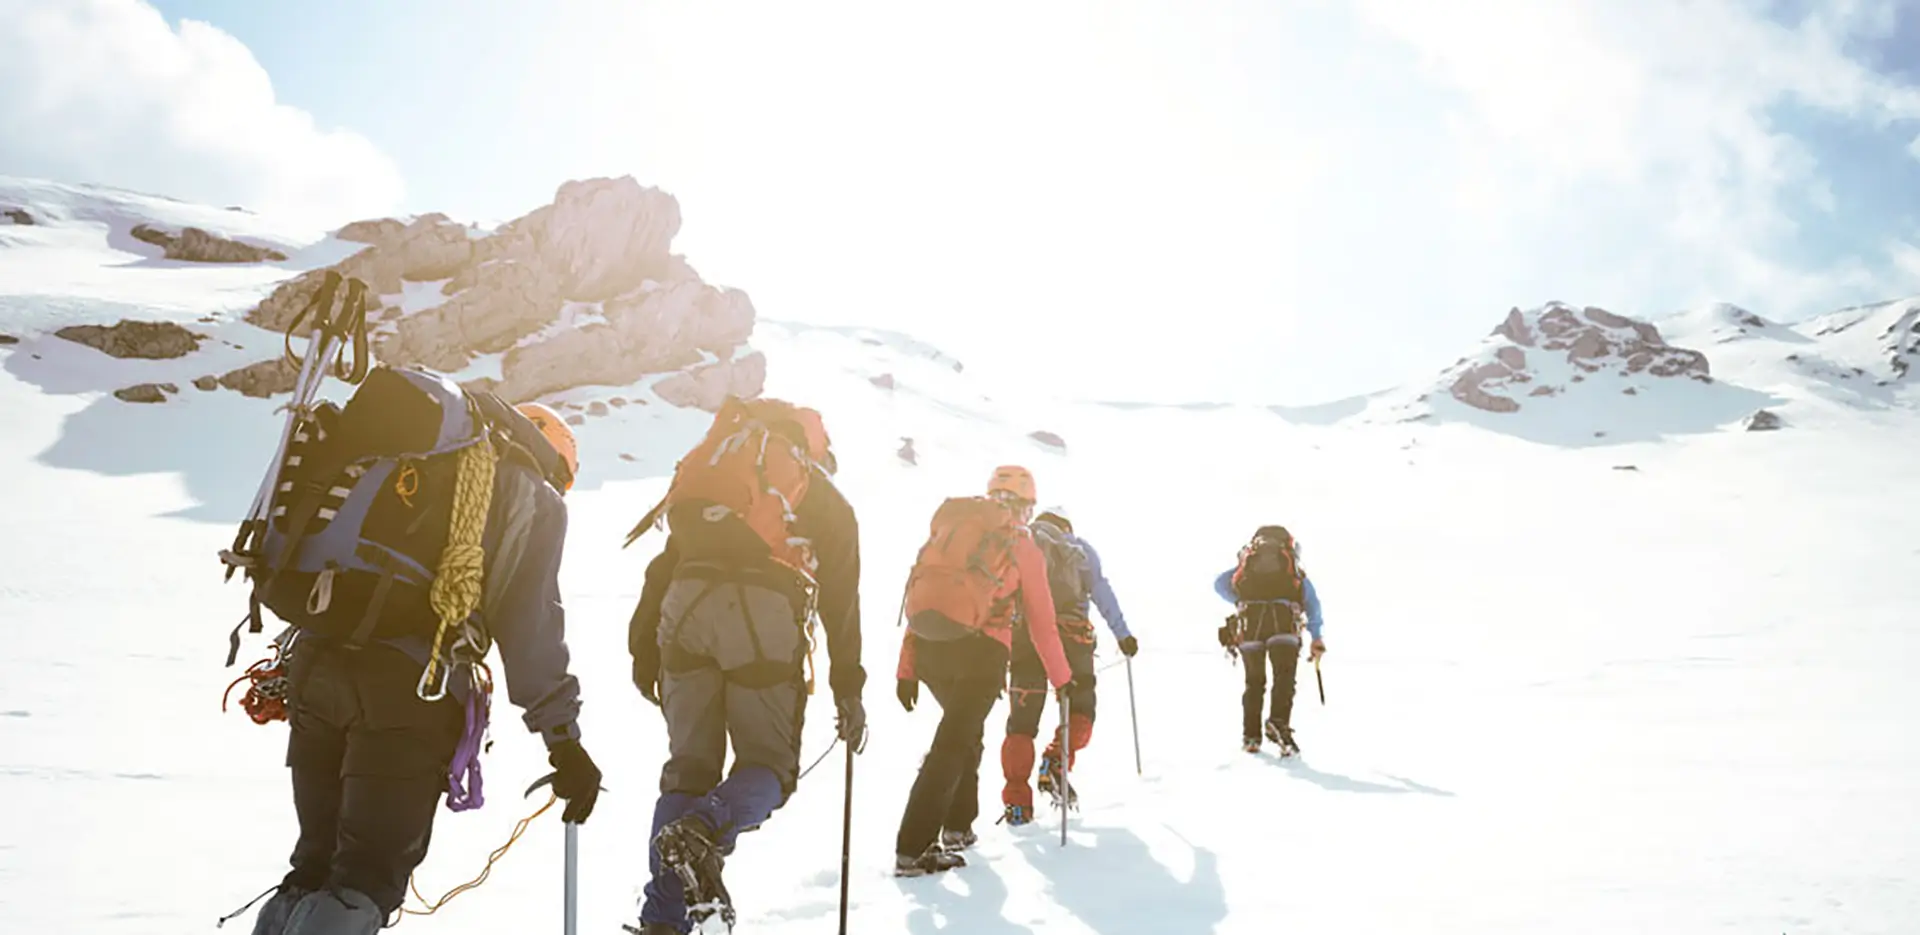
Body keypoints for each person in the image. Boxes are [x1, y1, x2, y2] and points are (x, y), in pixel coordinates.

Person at [248, 391, 601, 935]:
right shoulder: (529, 491)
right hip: (410, 687)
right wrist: (564, 741)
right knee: (364, 878)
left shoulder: (417, 460)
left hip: (318, 664)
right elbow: (529, 625)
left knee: (313, 865)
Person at [626, 397, 866, 934]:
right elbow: (841, 603)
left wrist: (646, 648)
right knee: (769, 768)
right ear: (810, 451)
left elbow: (664, 567)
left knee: (689, 769)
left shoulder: (719, 482)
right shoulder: (824, 501)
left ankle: (664, 920)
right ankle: (705, 828)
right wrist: (848, 685)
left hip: (684, 612)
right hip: (763, 617)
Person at [892, 465, 1073, 875]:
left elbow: (926, 596)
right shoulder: (1021, 545)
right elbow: (1043, 624)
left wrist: (907, 668)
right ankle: (913, 847)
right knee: (953, 743)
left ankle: (958, 826)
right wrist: (1063, 680)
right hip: (982, 651)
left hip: (932, 648)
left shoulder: (953, 531)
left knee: (964, 736)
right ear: (1026, 506)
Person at [1000, 505, 1135, 822]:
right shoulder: (1079, 549)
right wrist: (1123, 634)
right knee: (1080, 709)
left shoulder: (1021, 545)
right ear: (1066, 526)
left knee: (1021, 723)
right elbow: (1101, 591)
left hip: (1025, 639)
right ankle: (1057, 760)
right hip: (1072, 639)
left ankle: (1017, 803)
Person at [1213, 525, 1325, 755]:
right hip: (1283, 624)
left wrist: (1241, 598)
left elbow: (1219, 584)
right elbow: (1312, 603)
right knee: (1283, 678)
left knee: (1254, 682)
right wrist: (1316, 637)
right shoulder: (1293, 571)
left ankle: (1250, 737)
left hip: (1250, 625)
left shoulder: (1247, 568)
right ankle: (1278, 723)